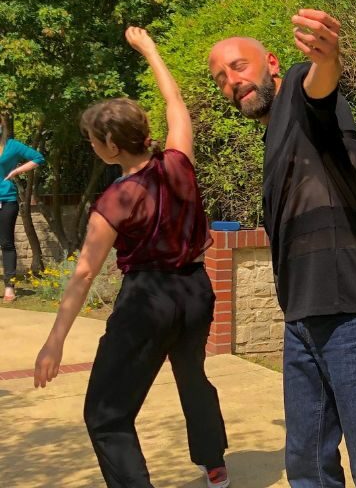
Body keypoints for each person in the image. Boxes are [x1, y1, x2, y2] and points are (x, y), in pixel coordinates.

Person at [207, 10, 356, 487]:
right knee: (307, 467)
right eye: (221, 77)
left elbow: (320, 83)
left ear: (274, 63)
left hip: (350, 310)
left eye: (239, 66)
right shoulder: (275, 139)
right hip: (302, 318)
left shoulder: (301, 95)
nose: (231, 82)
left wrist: (328, 57)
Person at [34, 27, 230, 488]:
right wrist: (151, 50)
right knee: (191, 375)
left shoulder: (116, 201)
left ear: (112, 147)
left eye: (92, 140)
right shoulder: (179, 161)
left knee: (106, 416)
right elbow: (175, 102)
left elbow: (84, 273)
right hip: (197, 292)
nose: (91, 146)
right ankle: (213, 461)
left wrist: (55, 340)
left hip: (149, 301)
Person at [0, 121, 44, 302]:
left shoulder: (12, 146)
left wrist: (16, 171)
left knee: (6, 242)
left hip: (6, 200)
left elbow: (38, 158)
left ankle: (9, 287)